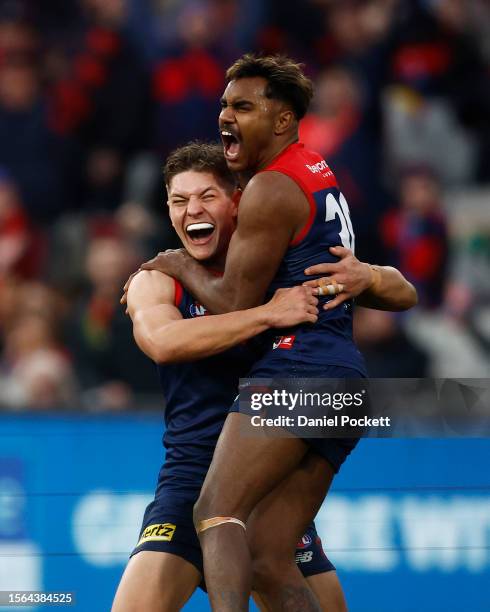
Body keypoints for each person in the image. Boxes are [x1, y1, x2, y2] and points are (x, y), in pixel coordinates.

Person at [136, 55, 417, 611]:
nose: (226, 115)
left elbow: (234, 300)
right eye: (224, 104)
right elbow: (404, 293)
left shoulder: (268, 188)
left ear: (283, 120)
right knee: (268, 553)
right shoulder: (317, 171)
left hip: (297, 370)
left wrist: (179, 264)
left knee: (217, 512)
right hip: (343, 383)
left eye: (243, 106)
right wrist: (369, 276)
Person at [112, 142, 346, 612]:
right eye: (179, 201)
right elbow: (163, 342)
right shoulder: (158, 278)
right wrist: (266, 315)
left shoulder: (279, 268)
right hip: (189, 479)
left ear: (237, 201)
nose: (192, 210)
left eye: (206, 197)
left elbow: (398, 292)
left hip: (263, 482)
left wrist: (371, 276)